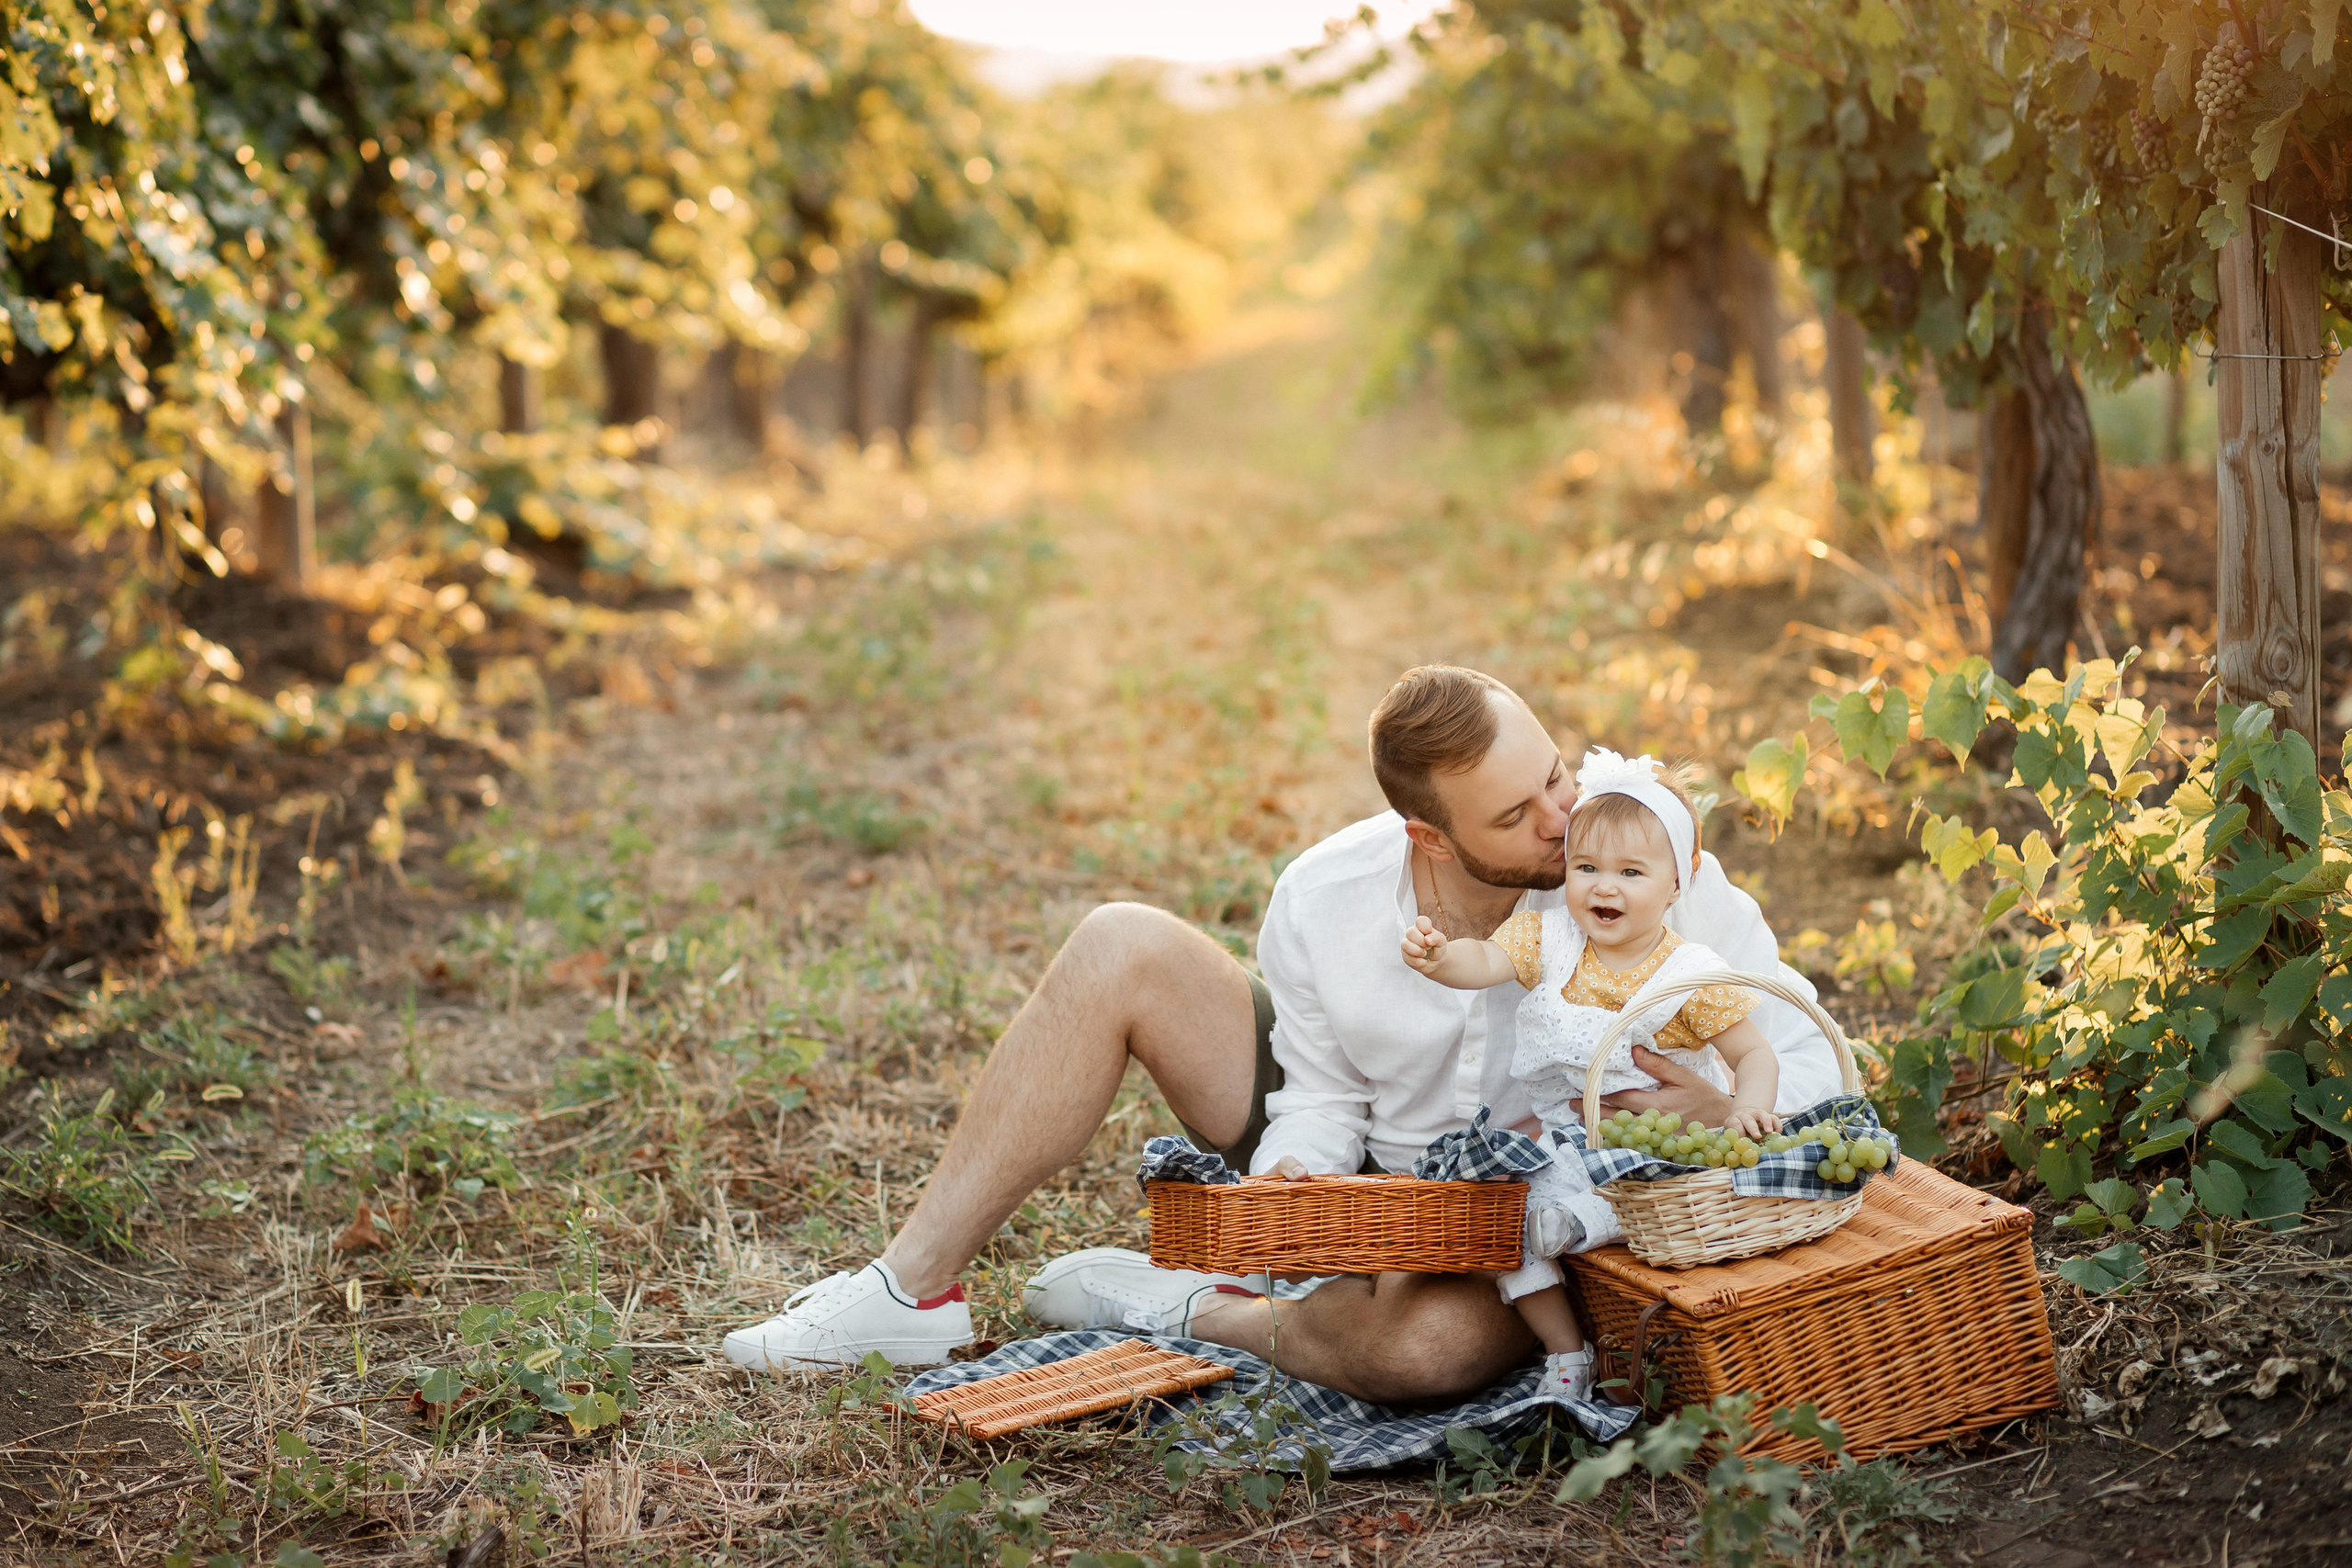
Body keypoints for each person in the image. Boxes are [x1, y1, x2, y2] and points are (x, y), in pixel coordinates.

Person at [721, 665, 1844, 1405]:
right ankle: (912, 1292)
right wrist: (1297, 1176)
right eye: (1515, 816)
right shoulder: (1327, 893)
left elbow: (1807, 1055)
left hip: (1534, 1212)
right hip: (1370, 1168)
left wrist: (1718, 1101)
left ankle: (1188, 1306)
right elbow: (1313, 1088)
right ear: (1428, 835)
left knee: (1428, 1353)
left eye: (1552, 775)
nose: (1561, 826)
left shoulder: (1637, 862)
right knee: (1121, 941)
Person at [1399, 746, 1785, 1398]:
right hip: (1570, 1139)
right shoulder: (1546, 938)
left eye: (1631, 871)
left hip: (1659, 1146)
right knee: (1510, 1231)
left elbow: (1756, 1054)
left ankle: (1586, 1224)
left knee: (1640, 1193)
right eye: (1586, 866)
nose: (1604, 886)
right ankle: (1566, 1353)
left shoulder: (1688, 972)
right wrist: (1442, 959)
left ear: (1677, 880)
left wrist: (1748, 1105)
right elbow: (1484, 961)